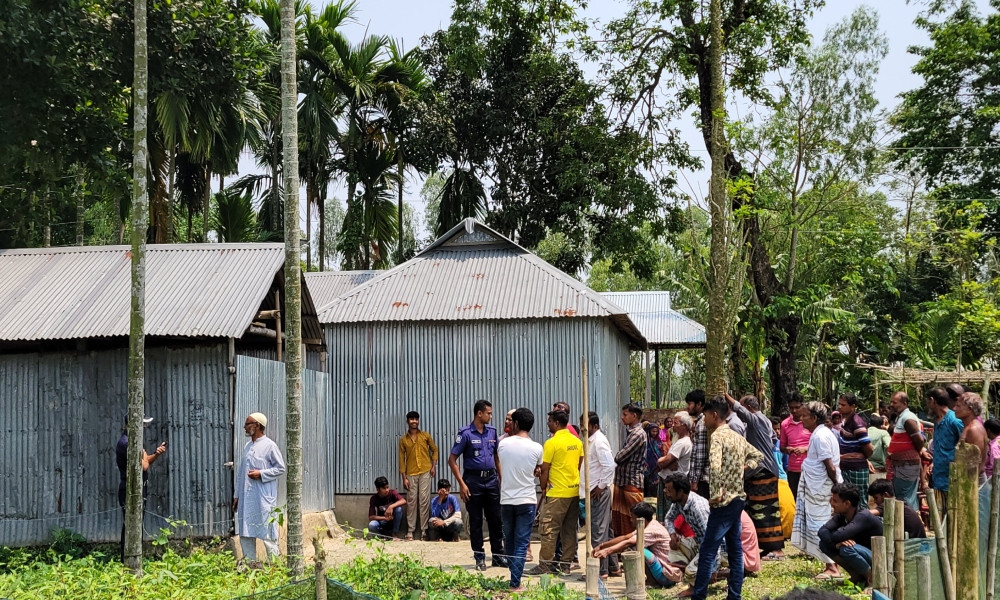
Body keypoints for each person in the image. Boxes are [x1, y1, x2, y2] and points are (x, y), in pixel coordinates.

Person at [679, 395, 764, 600]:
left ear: (714, 415)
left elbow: (715, 467)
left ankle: (699, 595)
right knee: (735, 549)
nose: (704, 419)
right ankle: (734, 595)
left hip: (723, 502)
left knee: (708, 550)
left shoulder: (716, 436)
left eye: (706, 415)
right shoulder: (736, 436)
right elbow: (758, 456)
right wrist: (740, 470)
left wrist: (716, 494)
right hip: (738, 499)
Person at [448, 399, 506, 570]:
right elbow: (452, 460)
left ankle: (498, 556)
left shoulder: (492, 432)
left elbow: (496, 457)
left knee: (496, 519)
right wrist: (462, 483)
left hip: (491, 480)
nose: (491, 416)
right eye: (488, 412)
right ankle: (479, 557)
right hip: (473, 482)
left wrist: (501, 479)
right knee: (475, 521)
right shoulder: (465, 433)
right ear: (479, 413)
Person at [728, 393, 785, 558]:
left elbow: (738, 408)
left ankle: (776, 549)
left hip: (762, 470)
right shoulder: (765, 421)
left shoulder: (757, 419)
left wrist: (725, 395)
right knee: (759, 509)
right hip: (761, 470)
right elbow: (773, 440)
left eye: (744, 408)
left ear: (750, 408)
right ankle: (768, 546)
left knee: (765, 511)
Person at [791, 401, 843, 581]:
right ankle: (831, 564)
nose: (801, 418)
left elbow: (829, 466)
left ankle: (832, 566)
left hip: (821, 489)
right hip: (819, 488)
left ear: (814, 418)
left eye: (805, 416)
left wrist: (837, 487)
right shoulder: (822, 434)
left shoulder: (820, 437)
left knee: (819, 526)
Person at [530, 410, 584, 575]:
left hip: (556, 493)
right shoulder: (577, 441)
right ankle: (566, 565)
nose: (548, 423)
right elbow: (578, 464)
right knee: (569, 530)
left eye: (550, 421)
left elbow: (544, 469)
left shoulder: (551, 443)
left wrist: (544, 487)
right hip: (573, 491)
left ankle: (545, 565)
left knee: (548, 529)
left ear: (556, 423)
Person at [497, 407, 543, 590]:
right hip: (527, 500)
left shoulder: (502, 445)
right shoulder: (537, 448)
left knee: (509, 539)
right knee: (522, 541)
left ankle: (514, 574)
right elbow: (538, 469)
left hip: (507, 500)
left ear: (515, 423)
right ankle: (515, 582)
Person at [233, 412, 286, 565]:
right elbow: (241, 473)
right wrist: (237, 496)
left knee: (267, 532)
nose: (244, 427)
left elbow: (280, 468)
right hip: (246, 498)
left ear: (257, 426)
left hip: (262, 498)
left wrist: (261, 473)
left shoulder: (269, 445)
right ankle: (250, 566)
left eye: (247, 424)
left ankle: (275, 567)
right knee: (246, 532)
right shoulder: (247, 446)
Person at [593, 502, 681, 588]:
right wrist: (602, 546)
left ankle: (652, 583)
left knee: (637, 549)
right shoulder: (648, 524)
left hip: (668, 576)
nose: (630, 520)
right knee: (636, 546)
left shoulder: (651, 530)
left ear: (641, 519)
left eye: (632, 518)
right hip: (666, 572)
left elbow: (628, 542)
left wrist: (606, 551)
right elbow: (625, 537)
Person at [116, 414, 166, 562]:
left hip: (138, 489)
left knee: (135, 525)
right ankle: (127, 560)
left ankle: (131, 559)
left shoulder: (134, 441)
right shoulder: (127, 443)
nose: (144, 428)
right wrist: (143, 455)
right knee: (131, 526)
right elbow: (144, 465)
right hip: (129, 490)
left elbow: (145, 461)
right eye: (141, 424)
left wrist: (156, 453)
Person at [817, 483, 883, 588]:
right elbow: (822, 531)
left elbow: (838, 536)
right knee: (823, 544)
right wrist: (835, 545)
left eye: (835, 501)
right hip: (863, 552)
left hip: (880, 558)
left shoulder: (863, 516)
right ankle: (857, 576)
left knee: (846, 549)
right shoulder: (841, 516)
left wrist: (837, 541)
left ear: (847, 503)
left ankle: (872, 579)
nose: (831, 503)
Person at [580, 411, 618, 579]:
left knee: (598, 531)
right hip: (593, 491)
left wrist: (601, 486)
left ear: (594, 426)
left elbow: (610, 466)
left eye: (584, 425)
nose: (582, 428)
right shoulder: (590, 441)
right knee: (606, 531)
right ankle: (613, 566)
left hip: (597, 493)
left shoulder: (599, 442)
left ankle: (599, 571)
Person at [398, 410, 439, 541]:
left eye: (416, 419)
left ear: (418, 420)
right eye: (411, 419)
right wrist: (404, 478)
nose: (414, 421)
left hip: (426, 471)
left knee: (424, 500)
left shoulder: (425, 436)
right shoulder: (403, 440)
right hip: (410, 473)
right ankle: (410, 531)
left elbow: (435, 449)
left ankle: (424, 531)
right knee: (411, 501)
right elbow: (401, 460)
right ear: (407, 421)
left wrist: (433, 466)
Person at [661, 472, 710, 579]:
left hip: (712, 546)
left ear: (680, 492)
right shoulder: (678, 502)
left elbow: (711, 539)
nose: (666, 492)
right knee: (675, 545)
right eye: (665, 489)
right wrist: (672, 534)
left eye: (669, 490)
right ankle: (689, 568)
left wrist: (712, 563)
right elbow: (668, 518)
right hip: (698, 541)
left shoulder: (698, 508)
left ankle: (719, 572)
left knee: (691, 572)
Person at [613, 403, 647, 539]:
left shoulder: (638, 434)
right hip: (624, 481)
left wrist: (616, 456)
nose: (622, 418)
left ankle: (634, 548)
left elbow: (620, 456)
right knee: (621, 518)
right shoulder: (631, 432)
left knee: (633, 518)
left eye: (625, 414)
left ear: (634, 416)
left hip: (631, 481)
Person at [925, 387, 963, 510]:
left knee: (953, 516)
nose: (927, 405)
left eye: (927, 401)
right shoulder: (937, 421)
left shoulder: (954, 420)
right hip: (938, 477)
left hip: (953, 478)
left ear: (932, 400)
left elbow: (964, 446)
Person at [887, 391, 924, 510]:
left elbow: (919, 440)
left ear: (904, 403)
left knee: (904, 497)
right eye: (891, 401)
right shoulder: (901, 417)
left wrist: (918, 451)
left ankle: (910, 525)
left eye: (894, 402)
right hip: (903, 465)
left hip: (906, 465)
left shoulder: (908, 418)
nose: (891, 404)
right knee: (905, 496)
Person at [835, 393, 872, 509]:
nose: (839, 407)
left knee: (859, 501)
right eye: (839, 404)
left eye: (843, 405)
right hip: (847, 467)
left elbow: (869, 448)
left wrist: (859, 457)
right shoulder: (845, 421)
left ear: (852, 406)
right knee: (849, 501)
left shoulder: (857, 423)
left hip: (856, 468)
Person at [781, 392, 811, 501]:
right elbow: (782, 447)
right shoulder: (785, 424)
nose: (794, 411)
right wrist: (787, 449)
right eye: (791, 408)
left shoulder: (810, 422)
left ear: (802, 405)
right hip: (793, 470)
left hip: (809, 469)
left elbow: (819, 445)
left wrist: (805, 449)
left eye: (797, 407)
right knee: (795, 500)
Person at [956, 392, 989, 483]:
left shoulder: (973, 429)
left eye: (958, 406)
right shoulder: (968, 427)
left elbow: (976, 463)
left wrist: (968, 486)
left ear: (969, 409)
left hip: (973, 481)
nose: (954, 409)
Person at [686, 390, 711, 499]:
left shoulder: (702, 424)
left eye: (690, 404)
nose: (688, 407)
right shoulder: (699, 422)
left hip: (702, 479)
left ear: (699, 404)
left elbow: (701, 455)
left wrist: (695, 481)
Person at [658, 411, 693, 478]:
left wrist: (661, 461)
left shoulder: (682, 443)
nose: (673, 425)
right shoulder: (677, 439)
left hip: (673, 482)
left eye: (676, 423)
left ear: (684, 426)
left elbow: (662, 463)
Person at [644, 423, 665, 497]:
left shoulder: (658, 441)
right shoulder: (646, 441)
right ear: (649, 431)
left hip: (657, 467)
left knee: (656, 485)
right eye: (653, 431)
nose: (655, 433)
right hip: (649, 467)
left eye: (656, 431)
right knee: (649, 485)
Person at [867, 414, 890, 483]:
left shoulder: (863, 432)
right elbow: (889, 446)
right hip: (879, 469)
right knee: (879, 491)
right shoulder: (883, 433)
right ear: (881, 425)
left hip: (864, 468)